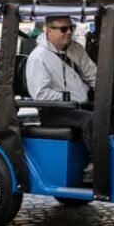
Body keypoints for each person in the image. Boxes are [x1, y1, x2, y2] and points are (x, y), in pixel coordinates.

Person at [26, 15, 98, 183]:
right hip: (54, 110)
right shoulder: (38, 57)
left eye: (71, 28)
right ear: (48, 30)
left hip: (78, 105)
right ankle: (95, 165)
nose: (68, 32)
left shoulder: (76, 49)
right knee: (91, 120)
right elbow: (40, 94)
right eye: (63, 29)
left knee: (110, 115)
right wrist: (68, 98)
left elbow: (92, 74)